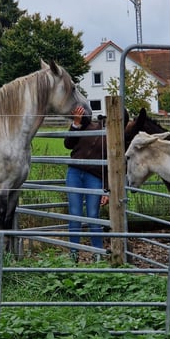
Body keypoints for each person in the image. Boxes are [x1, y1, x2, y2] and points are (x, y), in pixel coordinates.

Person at [64, 106, 110, 262]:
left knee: (93, 216)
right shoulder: (86, 125)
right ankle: (74, 255)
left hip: (95, 177)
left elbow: (112, 165)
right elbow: (68, 144)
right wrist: (76, 123)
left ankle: (97, 253)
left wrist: (107, 189)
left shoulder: (114, 136)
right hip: (75, 172)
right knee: (75, 214)